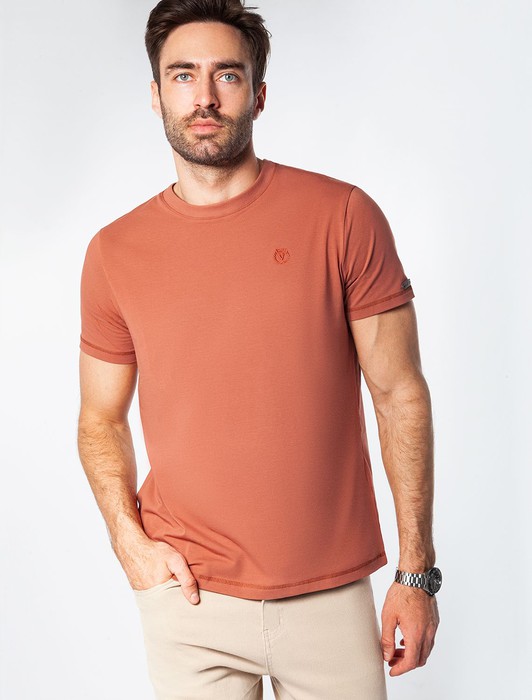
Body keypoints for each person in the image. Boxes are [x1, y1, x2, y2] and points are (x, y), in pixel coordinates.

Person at [77, 1, 440, 697]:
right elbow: (99, 418)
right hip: (187, 599)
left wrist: (416, 572)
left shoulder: (343, 216)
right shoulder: (114, 252)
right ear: (156, 94)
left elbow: (399, 393)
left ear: (259, 94)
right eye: (183, 75)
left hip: (330, 596)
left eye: (227, 75)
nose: (204, 97)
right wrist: (130, 543)